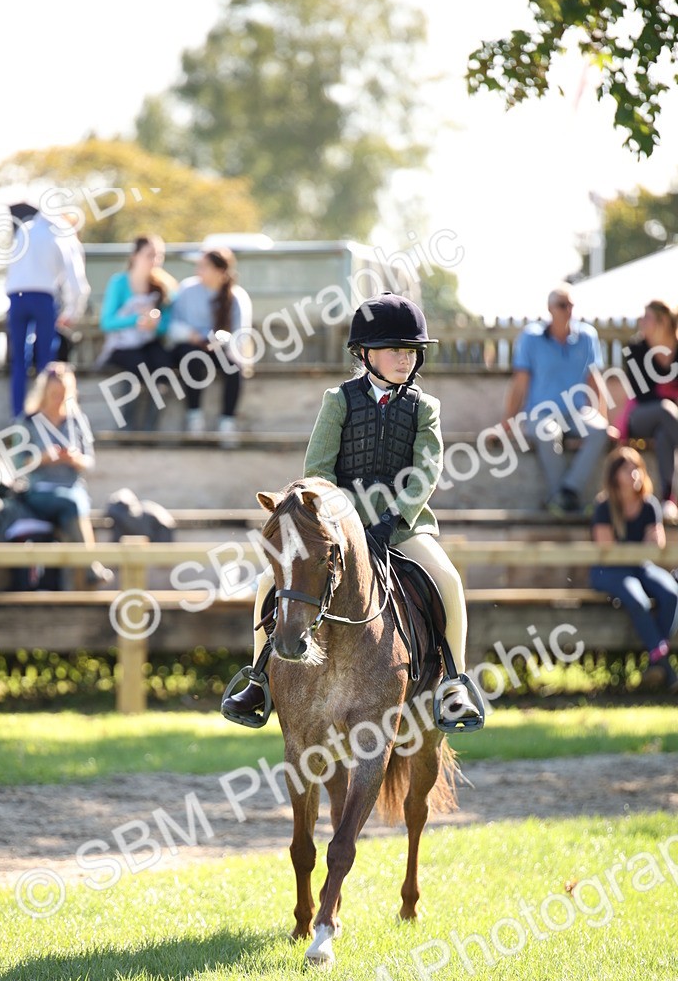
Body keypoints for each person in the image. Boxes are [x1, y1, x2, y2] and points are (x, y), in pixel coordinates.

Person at [222, 293, 484, 731]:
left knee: (449, 582)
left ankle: (453, 683)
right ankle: (257, 678)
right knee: (269, 580)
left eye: (411, 351)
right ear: (365, 355)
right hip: (340, 528)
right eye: (396, 350)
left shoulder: (425, 408)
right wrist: (347, 523)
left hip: (402, 527)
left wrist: (389, 521)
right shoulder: (339, 400)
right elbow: (319, 471)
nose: (406, 359)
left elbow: (426, 471)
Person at [503, 283, 610, 515]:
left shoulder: (588, 336)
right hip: (540, 413)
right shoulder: (531, 337)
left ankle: (565, 494)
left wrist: (603, 418)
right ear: (550, 309)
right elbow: (519, 384)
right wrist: (507, 423)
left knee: (600, 430)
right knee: (548, 433)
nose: (568, 310)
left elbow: (595, 381)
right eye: (562, 305)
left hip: (577, 413)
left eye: (571, 304)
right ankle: (563, 498)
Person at [590, 446, 678, 692]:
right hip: (609, 571)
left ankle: (656, 663)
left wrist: (649, 544)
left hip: (640, 567)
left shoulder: (650, 506)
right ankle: (665, 668)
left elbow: (655, 546)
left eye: (637, 468)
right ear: (614, 475)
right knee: (638, 600)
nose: (634, 474)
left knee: (671, 592)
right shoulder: (604, 507)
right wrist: (641, 547)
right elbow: (608, 550)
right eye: (627, 469)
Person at [17, 362, 113, 586]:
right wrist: (44, 458)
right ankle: (91, 566)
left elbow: (89, 461)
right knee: (73, 504)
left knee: (73, 501)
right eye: (54, 394)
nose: (58, 398)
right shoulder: (28, 422)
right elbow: (19, 463)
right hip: (40, 490)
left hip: (71, 488)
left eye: (63, 394)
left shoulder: (77, 421)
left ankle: (81, 573)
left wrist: (73, 458)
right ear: (44, 393)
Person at [5, 204, 90, 418]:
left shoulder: (26, 228)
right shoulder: (63, 232)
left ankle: (18, 415)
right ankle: (45, 414)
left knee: (19, 362)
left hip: (16, 297)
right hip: (43, 297)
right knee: (46, 360)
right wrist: (72, 311)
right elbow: (77, 280)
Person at [168, 247, 253, 444]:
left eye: (204, 266)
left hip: (221, 349)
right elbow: (172, 325)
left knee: (234, 368)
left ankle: (227, 423)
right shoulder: (187, 290)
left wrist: (221, 340)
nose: (199, 271)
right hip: (189, 346)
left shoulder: (237, 297)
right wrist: (191, 335)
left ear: (219, 271)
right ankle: (194, 418)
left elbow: (241, 335)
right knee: (192, 360)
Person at [98, 235, 177, 431]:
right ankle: (128, 427)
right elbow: (107, 322)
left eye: (159, 255)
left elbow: (166, 323)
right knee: (138, 366)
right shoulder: (119, 283)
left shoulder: (162, 287)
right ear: (135, 256)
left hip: (148, 342)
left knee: (162, 365)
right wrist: (136, 320)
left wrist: (154, 324)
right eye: (150, 255)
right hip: (121, 345)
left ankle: (150, 428)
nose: (155, 260)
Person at [618, 300, 678, 525]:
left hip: (670, 423)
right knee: (665, 409)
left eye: (647, 317)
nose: (641, 322)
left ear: (662, 322)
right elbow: (641, 395)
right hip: (640, 417)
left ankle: (668, 499)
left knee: (665, 435)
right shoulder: (635, 349)